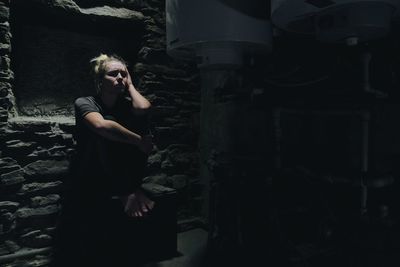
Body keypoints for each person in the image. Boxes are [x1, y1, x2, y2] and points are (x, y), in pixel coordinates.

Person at [53, 54, 155, 267]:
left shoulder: (126, 104)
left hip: (119, 169)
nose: (120, 77)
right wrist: (138, 141)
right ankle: (127, 190)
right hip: (91, 170)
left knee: (139, 122)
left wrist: (131, 86)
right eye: (113, 74)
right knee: (109, 124)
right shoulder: (84, 102)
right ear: (99, 80)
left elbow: (144, 108)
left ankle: (131, 187)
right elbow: (100, 126)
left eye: (123, 74)